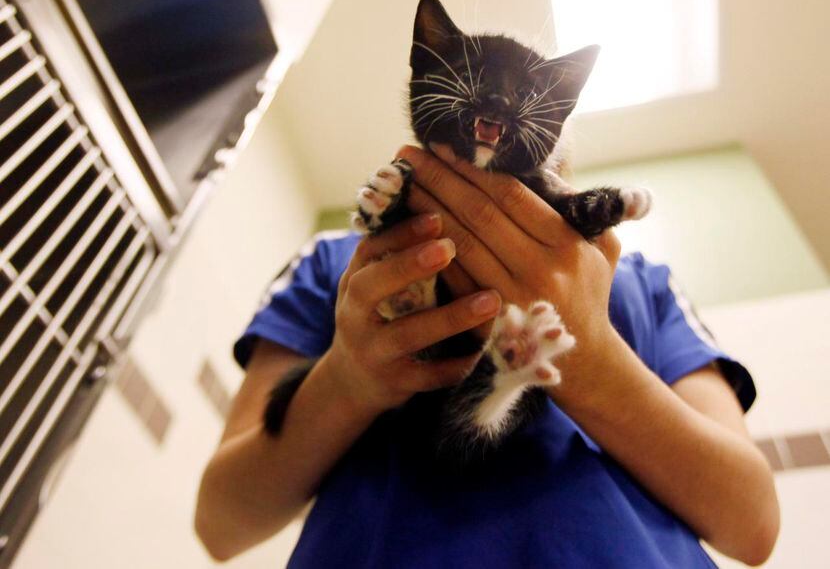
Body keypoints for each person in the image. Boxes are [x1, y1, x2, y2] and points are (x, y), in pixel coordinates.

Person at [194, 144, 780, 567]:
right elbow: (221, 523)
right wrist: (350, 380)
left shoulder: (642, 280)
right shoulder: (339, 263)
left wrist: (596, 365)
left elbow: (752, 525)